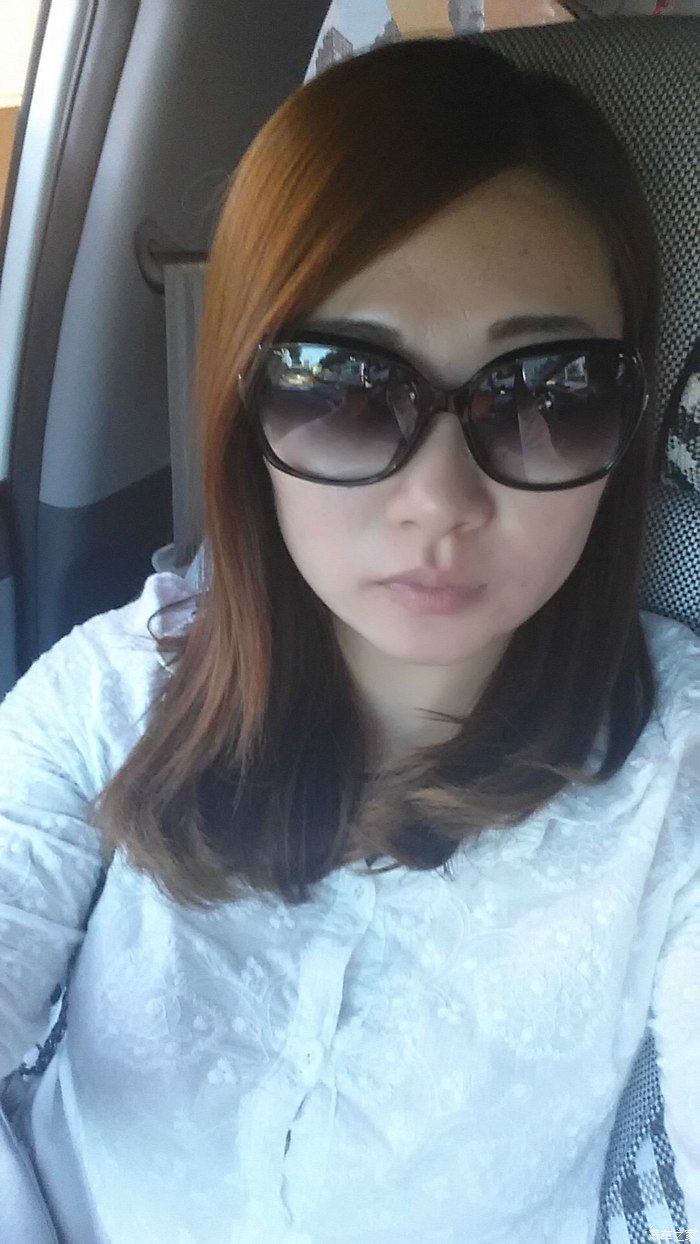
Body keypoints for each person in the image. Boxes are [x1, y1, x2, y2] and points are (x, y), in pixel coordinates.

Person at [0, 35, 698, 1244]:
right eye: (341, 386)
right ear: (245, 405)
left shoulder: (676, 764)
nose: (440, 502)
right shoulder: (110, 697)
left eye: (551, 394)